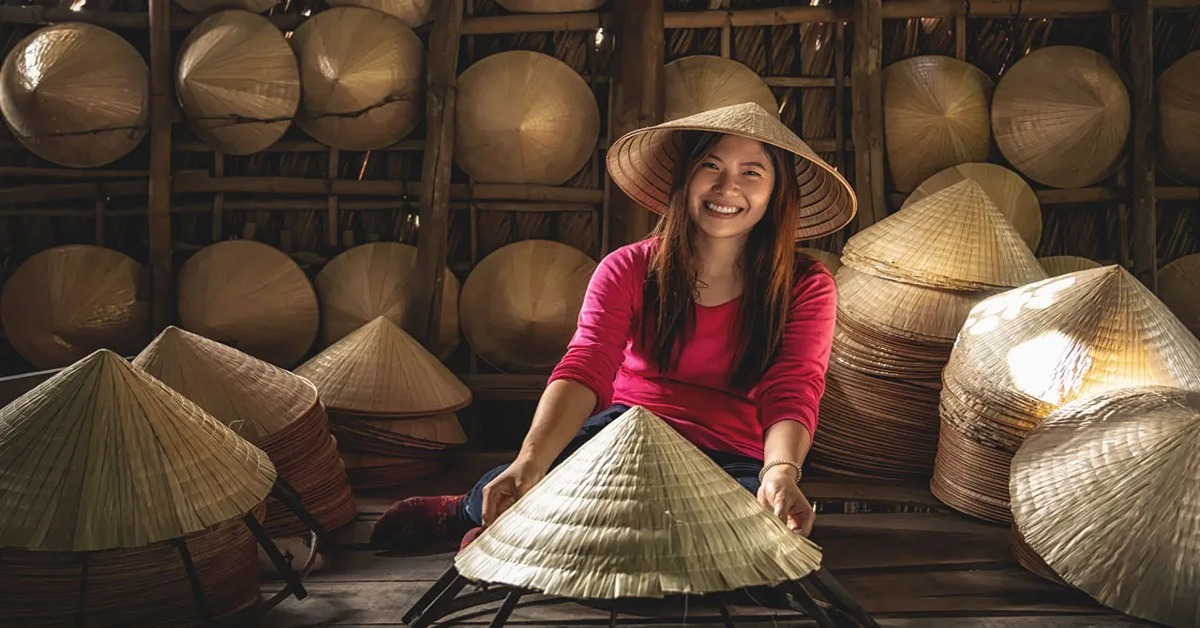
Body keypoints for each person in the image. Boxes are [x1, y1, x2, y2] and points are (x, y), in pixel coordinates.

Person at [371, 102, 856, 552]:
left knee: (739, 538)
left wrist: (779, 473)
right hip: (619, 438)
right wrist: (530, 461)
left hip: (730, 458)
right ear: (685, 180)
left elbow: (794, 386)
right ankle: (468, 511)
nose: (727, 187)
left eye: (751, 173)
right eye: (710, 166)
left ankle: (524, 537)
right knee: (534, 477)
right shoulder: (628, 266)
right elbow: (587, 363)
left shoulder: (806, 285)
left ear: (776, 193)